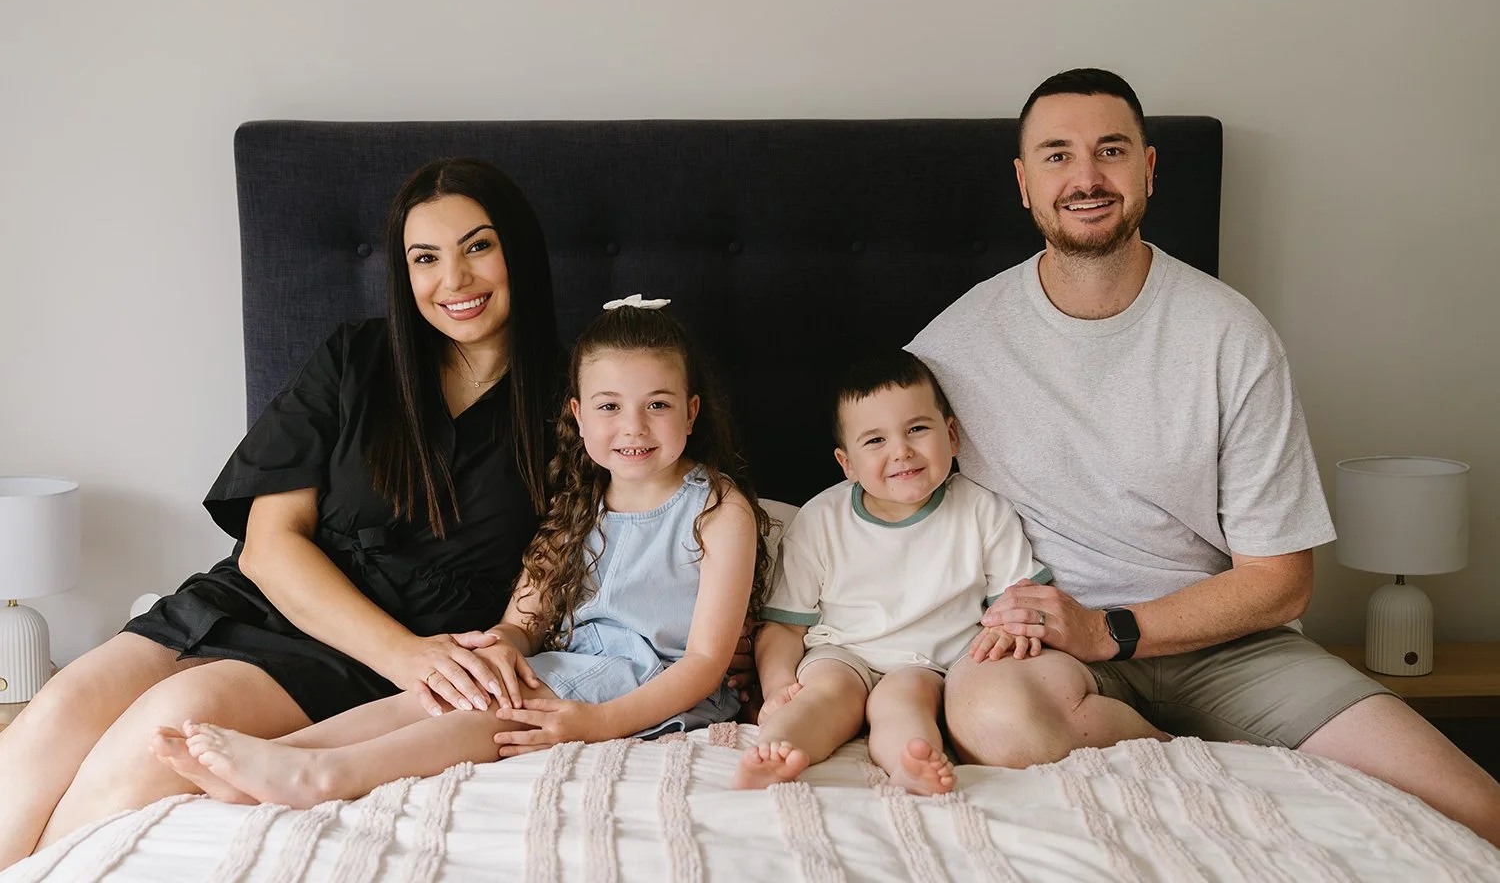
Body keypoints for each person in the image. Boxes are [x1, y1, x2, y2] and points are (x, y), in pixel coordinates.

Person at [908, 67, 1500, 845]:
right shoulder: (955, 347)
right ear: (1024, 183)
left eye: (1110, 151)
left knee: (1478, 811)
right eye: (1056, 156)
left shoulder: (1229, 335)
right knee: (994, 716)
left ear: (1148, 170)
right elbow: (876, 506)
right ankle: (1227, 785)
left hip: (1228, 647)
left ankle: (1244, 770)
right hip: (1047, 650)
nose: (1085, 178)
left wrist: (1109, 629)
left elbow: (1281, 583)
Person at [0, 158, 561, 867]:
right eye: (426, 258)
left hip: (378, 649)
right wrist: (408, 657)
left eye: (478, 246)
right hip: (256, 597)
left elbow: (569, 548)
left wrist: (475, 644)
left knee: (162, 730)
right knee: (60, 705)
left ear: (519, 249)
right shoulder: (356, 358)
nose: (454, 281)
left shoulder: (581, 399)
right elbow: (268, 546)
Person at [149, 299, 769, 807]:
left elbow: (707, 660)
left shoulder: (718, 509)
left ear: (691, 412)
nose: (633, 427)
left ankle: (325, 777)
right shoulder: (577, 501)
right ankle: (290, 755)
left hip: (646, 685)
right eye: (610, 406)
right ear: (578, 417)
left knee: (491, 719)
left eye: (657, 405)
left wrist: (598, 725)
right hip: (568, 667)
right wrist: (500, 648)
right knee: (448, 694)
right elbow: (523, 622)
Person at [733, 352, 1166, 795]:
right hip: (843, 651)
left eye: (917, 429)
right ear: (847, 464)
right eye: (875, 441)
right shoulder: (822, 519)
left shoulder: (982, 510)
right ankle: (775, 750)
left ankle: (912, 762)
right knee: (821, 694)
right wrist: (779, 685)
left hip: (926, 664)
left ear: (952, 435)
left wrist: (1009, 631)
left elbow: (1019, 604)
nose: (901, 451)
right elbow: (784, 626)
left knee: (901, 702)